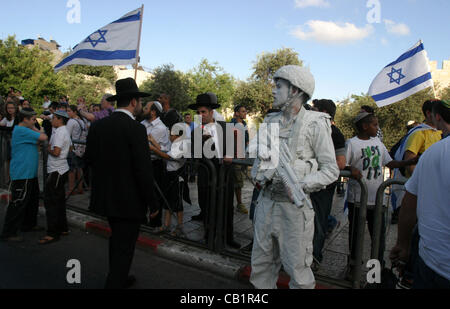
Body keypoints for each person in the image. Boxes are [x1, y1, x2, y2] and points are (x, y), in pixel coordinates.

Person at [250, 65, 340, 289]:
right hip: (266, 203)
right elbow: (257, 163)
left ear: (295, 91)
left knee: (298, 271)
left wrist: (300, 183)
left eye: (279, 86)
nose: (273, 91)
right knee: (261, 265)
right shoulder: (270, 122)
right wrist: (260, 176)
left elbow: (331, 169)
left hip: (294, 208)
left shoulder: (316, 123)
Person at [85, 78, 159, 289]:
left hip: (107, 196)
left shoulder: (98, 126)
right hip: (129, 201)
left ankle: (120, 275)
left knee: (117, 241)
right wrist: (153, 204)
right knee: (125, 245)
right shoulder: (136, 130)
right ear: (134, 102)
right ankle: (115, 281)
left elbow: (89, 159)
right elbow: (143, 171)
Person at [344, 111, 418, 279]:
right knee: (355, 237)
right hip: (358, 200)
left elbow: (389, 162)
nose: (377, 128)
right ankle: (353, 268)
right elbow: (343, 164)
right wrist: (350, 169)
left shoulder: (377, 142)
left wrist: (409, 162)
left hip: (378, 200)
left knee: (378, 240)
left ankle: (375, 273)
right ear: (364, 126)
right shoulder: (352, 143)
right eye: (375, 125)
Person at [390, 100, 450, 289]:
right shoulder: (423, 137)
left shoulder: (434, 151)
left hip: (434, 264)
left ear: (437, 116)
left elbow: (410, 203)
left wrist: (402, 243)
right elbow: (409, 160)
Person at [189, 93, 240, 249]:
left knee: (227, 206)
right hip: (207, 175)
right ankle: (208, 235)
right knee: (207, 205)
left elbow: (234, 150)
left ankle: (228, 237)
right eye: (198, 112)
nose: (200, 115)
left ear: (211, 112)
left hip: (225, 174)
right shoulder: (196, 132)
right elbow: (194, 155)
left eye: (203, 112)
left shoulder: (227, 128)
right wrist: (201, 141)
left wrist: (230, 154)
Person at [310, 99, 347, 272]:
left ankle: (314, 258)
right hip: (307, 185)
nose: (311, 111)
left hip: (323, 187)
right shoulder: (312, 128)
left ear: (323, 112)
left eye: (314, 109)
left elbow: (340, 163)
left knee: (318, 222)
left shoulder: (335, 133)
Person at [1, 108, 48, 242]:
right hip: (23, 173)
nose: (35, 122)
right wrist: (36, 127)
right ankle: (8, 232)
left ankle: (28, 224)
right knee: (18, 202)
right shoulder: (22, 130)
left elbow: (38, 141)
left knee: (32, 201)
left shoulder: (25, 130)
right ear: (25, 119)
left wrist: (33, 127)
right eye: (32, 119)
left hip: (30, 173)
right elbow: (43, 136)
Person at [148, 116, 188, 237]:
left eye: (171, 134)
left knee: (177, 202)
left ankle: (179, 226)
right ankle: (166, 225)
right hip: (170, 175)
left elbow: (168, 156)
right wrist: (153, 142)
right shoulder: (174, 144)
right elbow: (164, 150)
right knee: (168, 201)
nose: (169, 137)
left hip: (177, 176)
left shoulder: (181, 146)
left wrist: (153, 148)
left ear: (177, 135)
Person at [39, 110, 72, 245]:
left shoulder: (60, 132)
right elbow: (70, 148)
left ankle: (53, 233)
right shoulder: (63, 131)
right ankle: (63, 228)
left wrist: (47, 149)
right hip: (61, 169)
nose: (52, 120)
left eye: (54, 118)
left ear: (60, 119)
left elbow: (57, 152)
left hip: (56, 171)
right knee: (59, 201)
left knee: (51, 202)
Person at [141, 101, 170, 230]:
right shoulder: (144, 123)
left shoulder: (160, 128)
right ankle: (141, 219)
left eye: (146, 108)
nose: (143, 109)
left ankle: (155, 223)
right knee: (142, 192)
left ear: (153, 112)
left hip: (155, 164)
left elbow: (143, 143)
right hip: (144, 162)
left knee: (155, 193)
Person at [230, 105, 250, 214]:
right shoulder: (231, 124)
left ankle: (237, 204)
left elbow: (246, 140)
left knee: (238, 181)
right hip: (233, 156)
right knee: (237, 181)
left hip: (241, 155)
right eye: (243, 111)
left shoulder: (245, 124)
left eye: (245, 111)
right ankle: (239, 204)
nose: (245, 113)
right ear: (236, 113)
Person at [66, 105, 87, 196]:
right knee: (79, 168)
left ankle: (71, 189)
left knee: (72, 170)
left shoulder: (71, 121)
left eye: (69, 111)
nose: (68, 113)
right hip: (80, 148)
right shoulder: (82, 121)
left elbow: (67, 135)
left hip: (73, 148)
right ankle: (80, 188)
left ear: (75, 112)